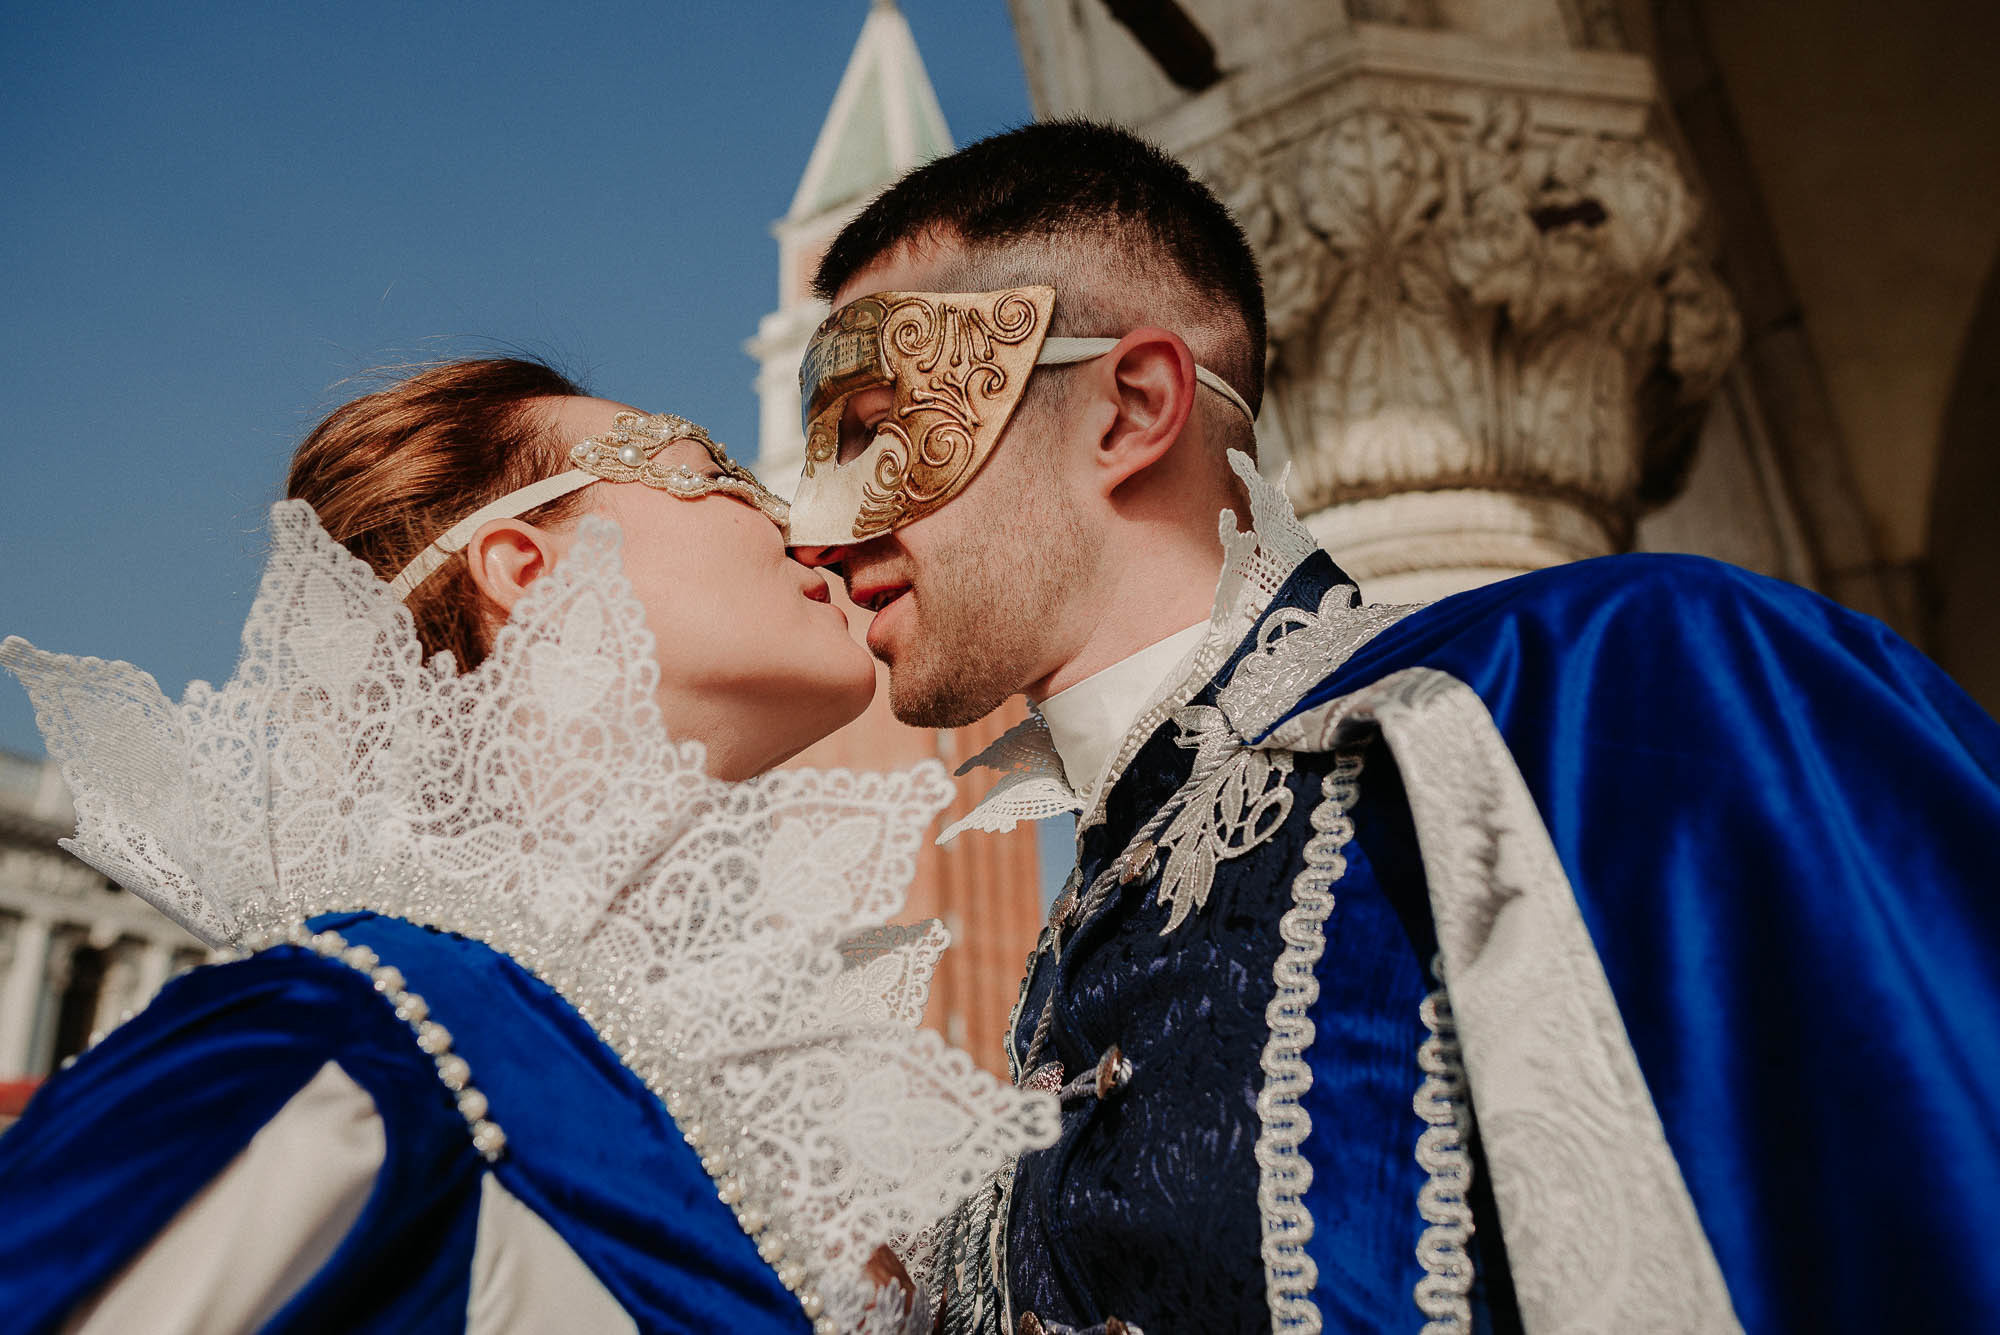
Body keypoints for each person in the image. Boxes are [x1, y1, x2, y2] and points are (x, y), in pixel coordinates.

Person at [790, 121, 2000, 1334]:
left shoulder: (1614, 684)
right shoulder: (1073, 956)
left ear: (1130, 409)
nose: (816, 531)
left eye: (875, 432)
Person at [0, 358, 1056, 1334]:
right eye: (716, 473)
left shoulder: (752, 1108)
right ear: (524, 567)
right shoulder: (342, 1026)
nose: (811, 531)